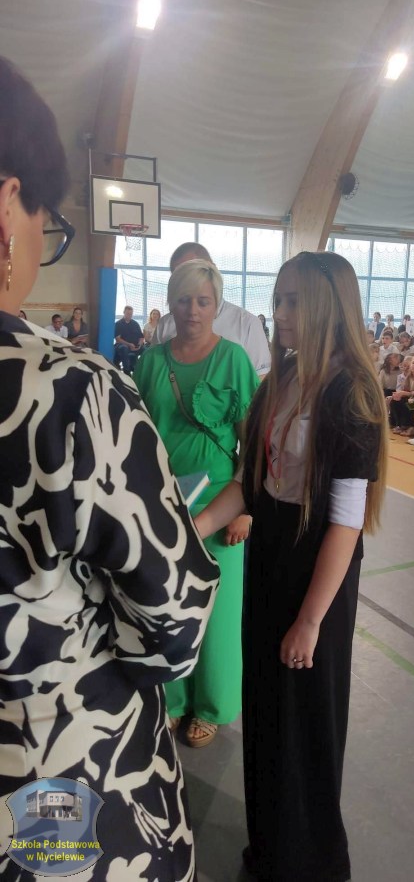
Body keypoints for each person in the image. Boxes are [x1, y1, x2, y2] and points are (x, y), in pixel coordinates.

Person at [0, 56, 220, 882]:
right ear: (6, 207)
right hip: (56, 781)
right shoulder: (68, 390)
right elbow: (173, 624)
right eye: (46, 224)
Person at [194, 250, 387, 882]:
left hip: (315, 578)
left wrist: (309, 622)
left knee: (306, 729)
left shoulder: (349, 394)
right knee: (267, 715)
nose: (278, 313)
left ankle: (313, 866)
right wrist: (192, 529)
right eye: (277, 299)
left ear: (330, 305)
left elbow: (345, 523)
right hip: (271, 559)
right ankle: (271, 852)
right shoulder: (279, 380)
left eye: (294, 301)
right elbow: (249, 483)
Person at [135, 259, 259, 748]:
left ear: (216, 305)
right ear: (171, 303)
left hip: (222, 501)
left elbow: (254, 443)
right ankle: (174, 699)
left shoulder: (234, 360)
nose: (193, 310)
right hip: (164, 501)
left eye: (203, 301)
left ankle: (213, 706)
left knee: (219, 613)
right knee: (168, 604)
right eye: (184, 300)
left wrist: (246, 509)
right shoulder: (151, 362)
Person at [153, 242, 271, 377]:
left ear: (212, 270)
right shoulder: (164, 325)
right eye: (179, 276)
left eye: (194, 272)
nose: (187, 281)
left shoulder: (247, 324)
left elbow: (261, 382)